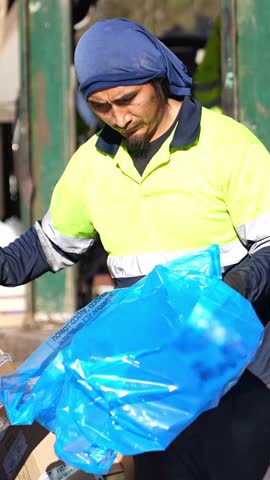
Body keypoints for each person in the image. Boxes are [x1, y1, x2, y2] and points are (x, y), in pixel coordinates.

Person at [1, 17, 270, 479]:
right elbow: (45, 247)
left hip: (235, 371)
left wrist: (236, 288)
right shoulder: (92, 165)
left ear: (158, 79)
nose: (119, 117)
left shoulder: (228, 147)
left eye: (128, 99)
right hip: (146, 386)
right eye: (100, 106)